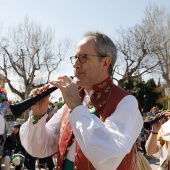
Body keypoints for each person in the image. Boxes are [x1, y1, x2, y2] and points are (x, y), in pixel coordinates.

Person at [20, 31, 143, 170]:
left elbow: (109, 155)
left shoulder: (126, 102)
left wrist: (77, 107)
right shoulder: (71, 104)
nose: (75, 65)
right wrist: (38, 116)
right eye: (75, 58)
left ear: (105, 63)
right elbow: (39, 149)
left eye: (83, 57)